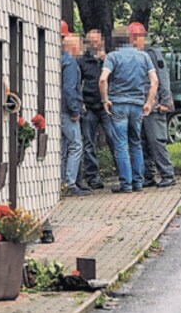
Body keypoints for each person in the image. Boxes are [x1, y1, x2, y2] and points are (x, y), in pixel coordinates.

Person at [99, 25, 158, 193]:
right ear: (130, 39)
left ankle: (126, 184)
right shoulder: (144, 57)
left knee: (120, 144)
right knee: (136, 142)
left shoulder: (112, 57)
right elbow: (154, 81)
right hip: (137, 105)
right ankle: (138, 182)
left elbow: (103, 79)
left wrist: (105, 100)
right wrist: (148, 102)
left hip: (118, 104)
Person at [131, 23, 177, 188]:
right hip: (139, 104)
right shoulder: (134, 55)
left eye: (136, 37)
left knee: (156, 140)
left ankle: (167, 174)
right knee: (143, 141)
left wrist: (165, 101)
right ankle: (148, 176)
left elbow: (163, 77)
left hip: (155, 104)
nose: (134, 41)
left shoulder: (153, 53)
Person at [78, 29, 115, 189]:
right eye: (91, 41)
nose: (95, 44)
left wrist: (105, 60)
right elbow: (77, 83)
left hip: (107, 106)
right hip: (89, 106)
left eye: (97, 40)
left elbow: (117, 79)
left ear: (102, 41)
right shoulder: (83, 61)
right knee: (89, 142)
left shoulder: (111, 59)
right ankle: (93, 177)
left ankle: (124, 173)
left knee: (114, 139)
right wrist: (80, 102)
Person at [60, 32, 91, 196]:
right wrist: (74, 110)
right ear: (73, 46)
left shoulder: (60, 59)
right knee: (76, 145)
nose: (81, 50)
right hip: (67, 110)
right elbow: (69, 89)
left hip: (59, 108)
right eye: (79, 45)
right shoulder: (70, 62)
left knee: (63, 147)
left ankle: (61, 181)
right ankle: (70, 183)